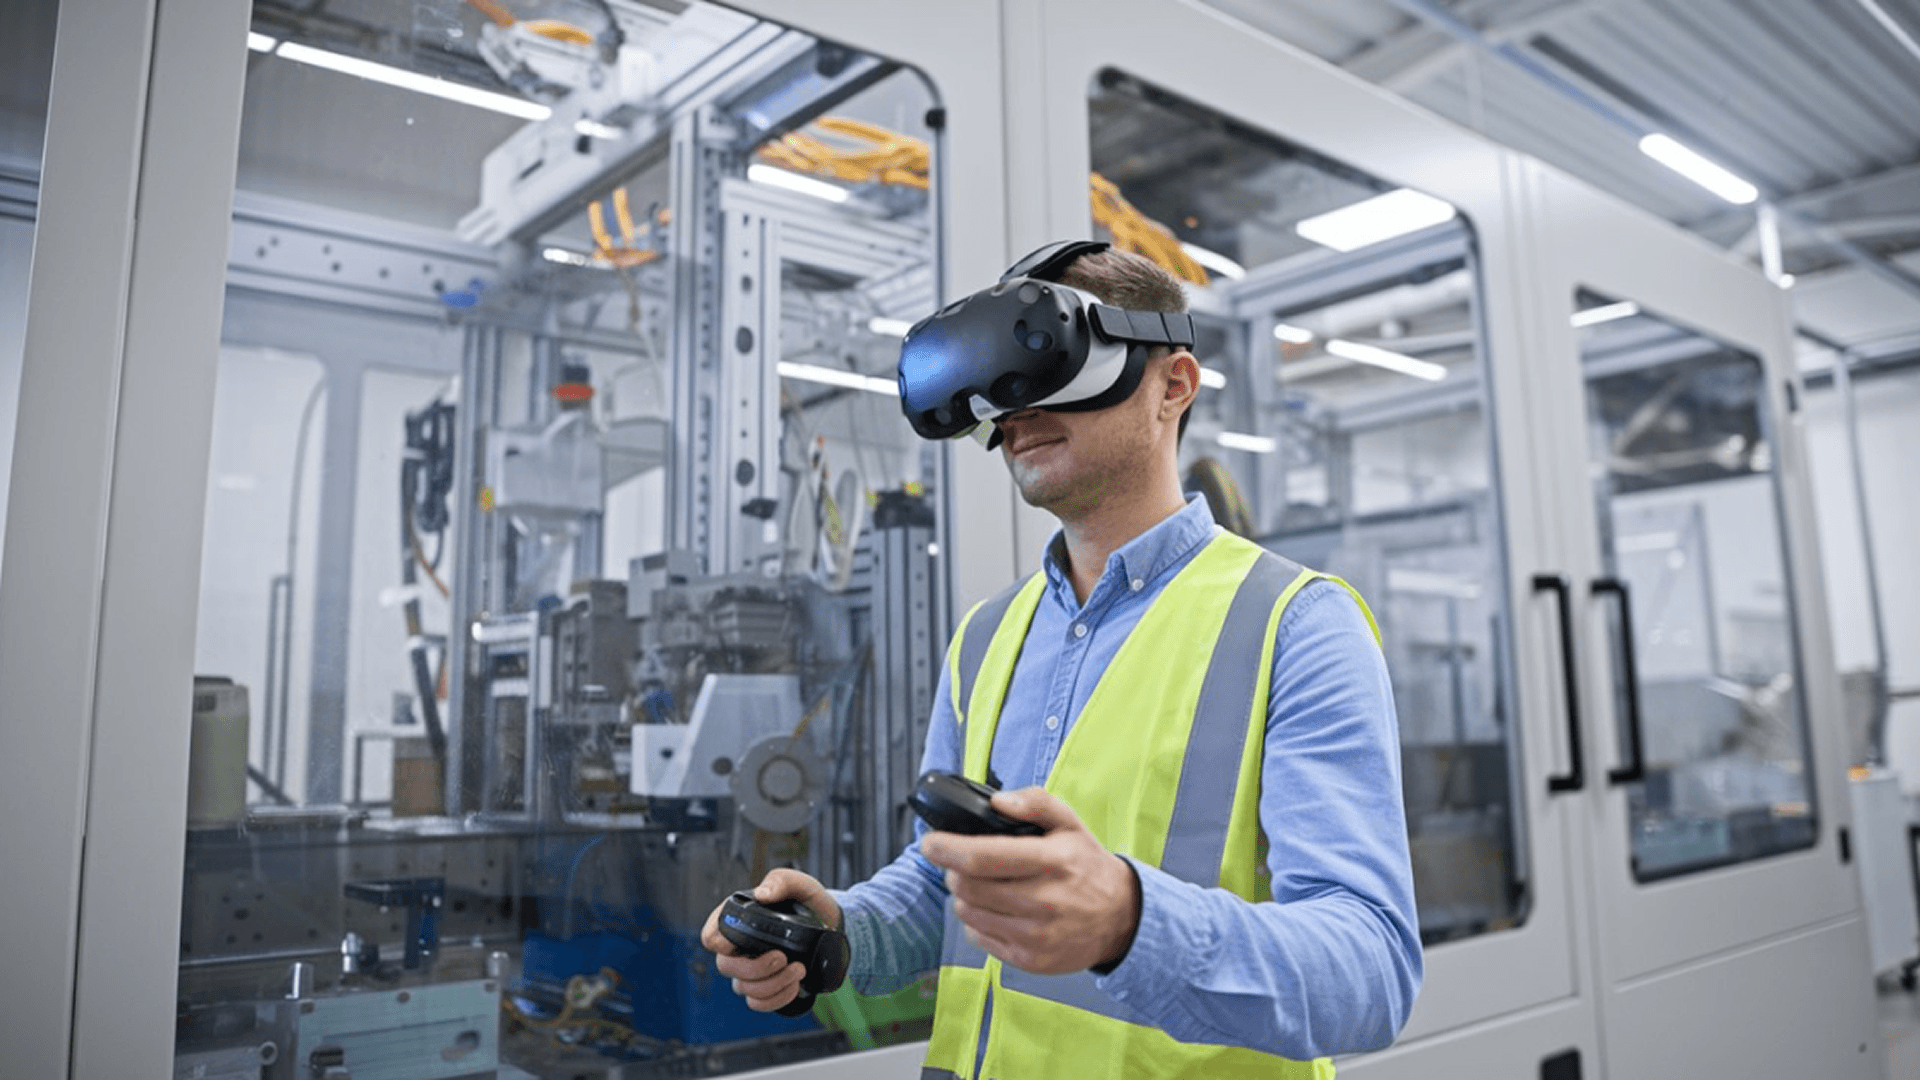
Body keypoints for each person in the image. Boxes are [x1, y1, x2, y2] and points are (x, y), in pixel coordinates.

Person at [702, 241, 1422, 1078]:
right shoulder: (986, 636)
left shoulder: (1296, 624)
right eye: (998, 385)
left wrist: (1128, 920)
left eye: (1048, 361)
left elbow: (1371, 971)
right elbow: (945, 888)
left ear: (1173, 387)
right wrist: (841, 930)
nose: (1015, 413)